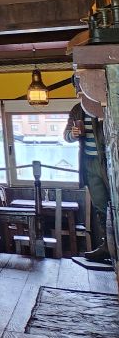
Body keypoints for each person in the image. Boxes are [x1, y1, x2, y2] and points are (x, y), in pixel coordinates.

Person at [64, 102, 111, 262]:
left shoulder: (107, 103)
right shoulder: (77, 109)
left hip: (110, 161)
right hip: (89, 162)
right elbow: (66, 136)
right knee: (101, 206)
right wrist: (72, 134)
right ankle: (108, 246)